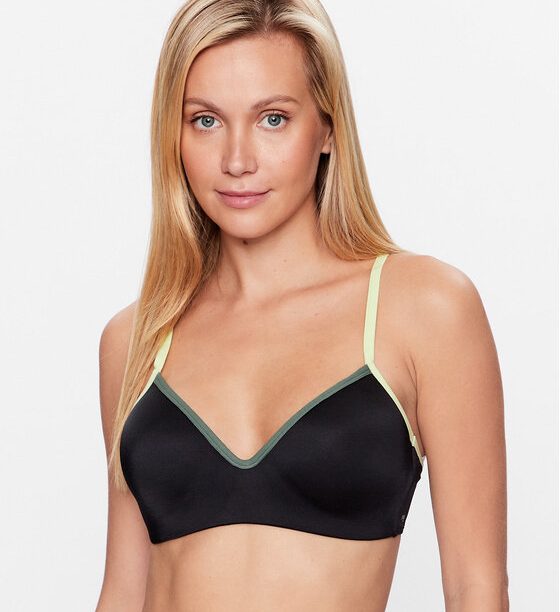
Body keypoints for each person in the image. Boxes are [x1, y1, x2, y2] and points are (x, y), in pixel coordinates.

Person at [96, 1, 509, 610]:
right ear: (172, 135)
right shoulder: (137, 339)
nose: (237, 160)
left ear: (328, 126)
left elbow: (477, 587)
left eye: (273, 119)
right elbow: (123, 590)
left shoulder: (424, 310)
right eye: (205, 120)